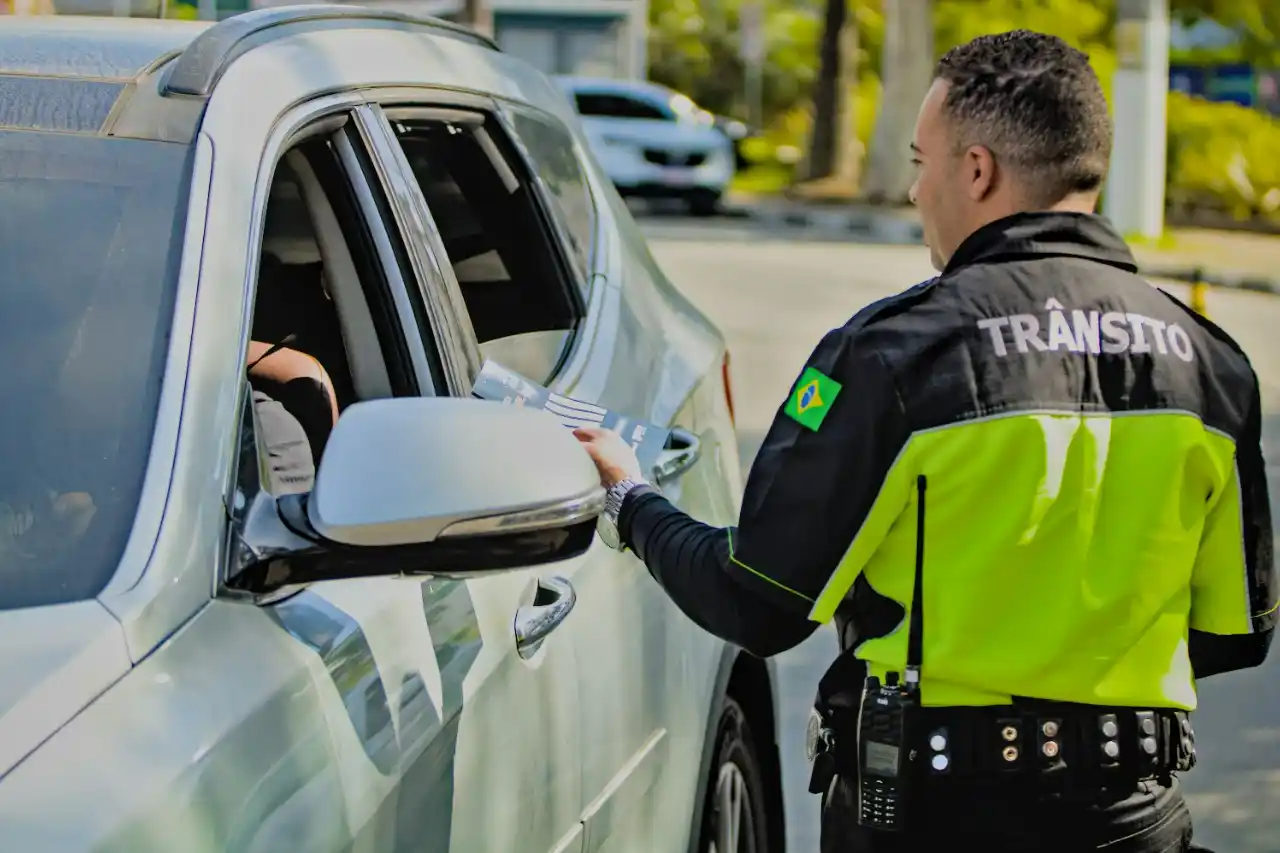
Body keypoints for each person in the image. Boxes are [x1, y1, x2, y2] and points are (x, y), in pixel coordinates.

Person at [575, 29, 1275, 853]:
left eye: (920, 161)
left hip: (929, 820)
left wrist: (630, 500)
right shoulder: (1211, 363)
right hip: (1134, 820)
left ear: (976, 171)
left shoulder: (891, 355)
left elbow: (755, 599)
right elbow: (1238, 631)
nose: (913, 192)